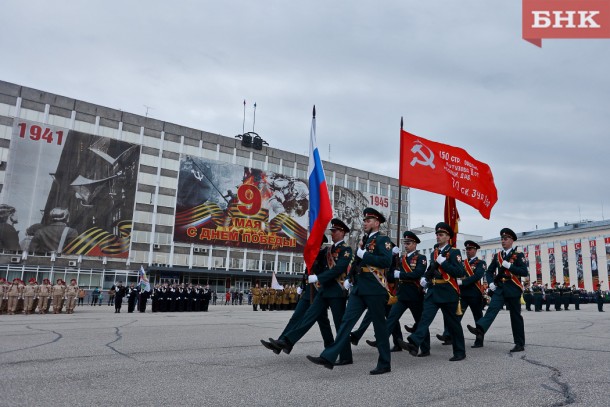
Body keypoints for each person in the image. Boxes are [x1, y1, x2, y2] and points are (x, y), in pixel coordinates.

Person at [307, 208, 393, 375]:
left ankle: (384, 363)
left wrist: (364, 255)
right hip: (359, 287)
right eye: (365, 220)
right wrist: (349, 277)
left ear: (377, 223)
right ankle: (329, 356)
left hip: (375, 289)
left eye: (368, 220)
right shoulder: (365, 241)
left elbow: (386, 261)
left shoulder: (383, 240)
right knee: (346, 322)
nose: (365, 223)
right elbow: (357, 264)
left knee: (379, 327)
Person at [265, 219, 353, 365]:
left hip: (337, 292)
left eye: (335, 231)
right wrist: (312, 244)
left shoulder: (346, 250)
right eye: (331, 231)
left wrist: (318, 277)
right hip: (324, 291)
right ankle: (286, 341)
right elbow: (314, 261)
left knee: (340, 325)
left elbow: (338, 269)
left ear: (342, 232)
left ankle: (346, 357)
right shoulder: (327, 251)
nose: (332, 233)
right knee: (308, 317)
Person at [397, 222, 466, 361]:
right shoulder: (435, 252)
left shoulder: (454, 252)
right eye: (437, 234)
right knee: (424, 320)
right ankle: (414, 344)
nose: (438, 237)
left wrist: (444, 262)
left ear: (448, 237)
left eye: (441, 235)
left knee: (453, 324)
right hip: (433, 291)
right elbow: (432, 270)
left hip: (448, 292)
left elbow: (460, 272)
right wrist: (425, 279)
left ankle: (460, 352)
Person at [261, 235, 335, 355]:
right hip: (308, 292)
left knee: (323, 322)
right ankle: (280, 342)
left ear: (320, 243)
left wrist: (316, 264)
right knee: (296, 317)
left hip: (318, 292)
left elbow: (325, 272)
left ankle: (330, 347)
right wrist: (302, 286)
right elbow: (306, 272)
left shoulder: (324, 254)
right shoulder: (310, 254)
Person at [366, 230, 431, 356]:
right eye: (405, 243)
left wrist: (400, 274)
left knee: (419, 321)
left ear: (415, 244)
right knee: (391, 318)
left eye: (409, 243)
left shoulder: (421, 258)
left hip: (414, 294)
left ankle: (425, 348)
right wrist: (392, 262)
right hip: (401, 294)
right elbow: (390, 273)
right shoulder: (400, 259)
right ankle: (381, 340)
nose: (406, 245)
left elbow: (417, 273)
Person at [467, 228, 529, 353]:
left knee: (515, 316)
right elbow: (489, 272)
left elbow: (524, 272)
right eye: (502, 239)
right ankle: (480, 328)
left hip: (513, 288)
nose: (503, 241)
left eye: (505, 239)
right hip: (500, 288)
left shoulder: (519, 255)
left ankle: (519, 343)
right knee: (492, 309)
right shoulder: (498, 256)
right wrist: (490, 283)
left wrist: (510, 266)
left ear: (512, 240)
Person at [437, 240, 487, 349]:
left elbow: (477, 276)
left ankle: (479, 340)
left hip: (475, 294)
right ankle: (448, 336)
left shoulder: (480, 263)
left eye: (470, 249)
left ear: (475, 250)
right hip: (463, 294)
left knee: (478, 317)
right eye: (467, 249)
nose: (468, 251)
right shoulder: (463, 262)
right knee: (456, 317)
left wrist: (463, 282)